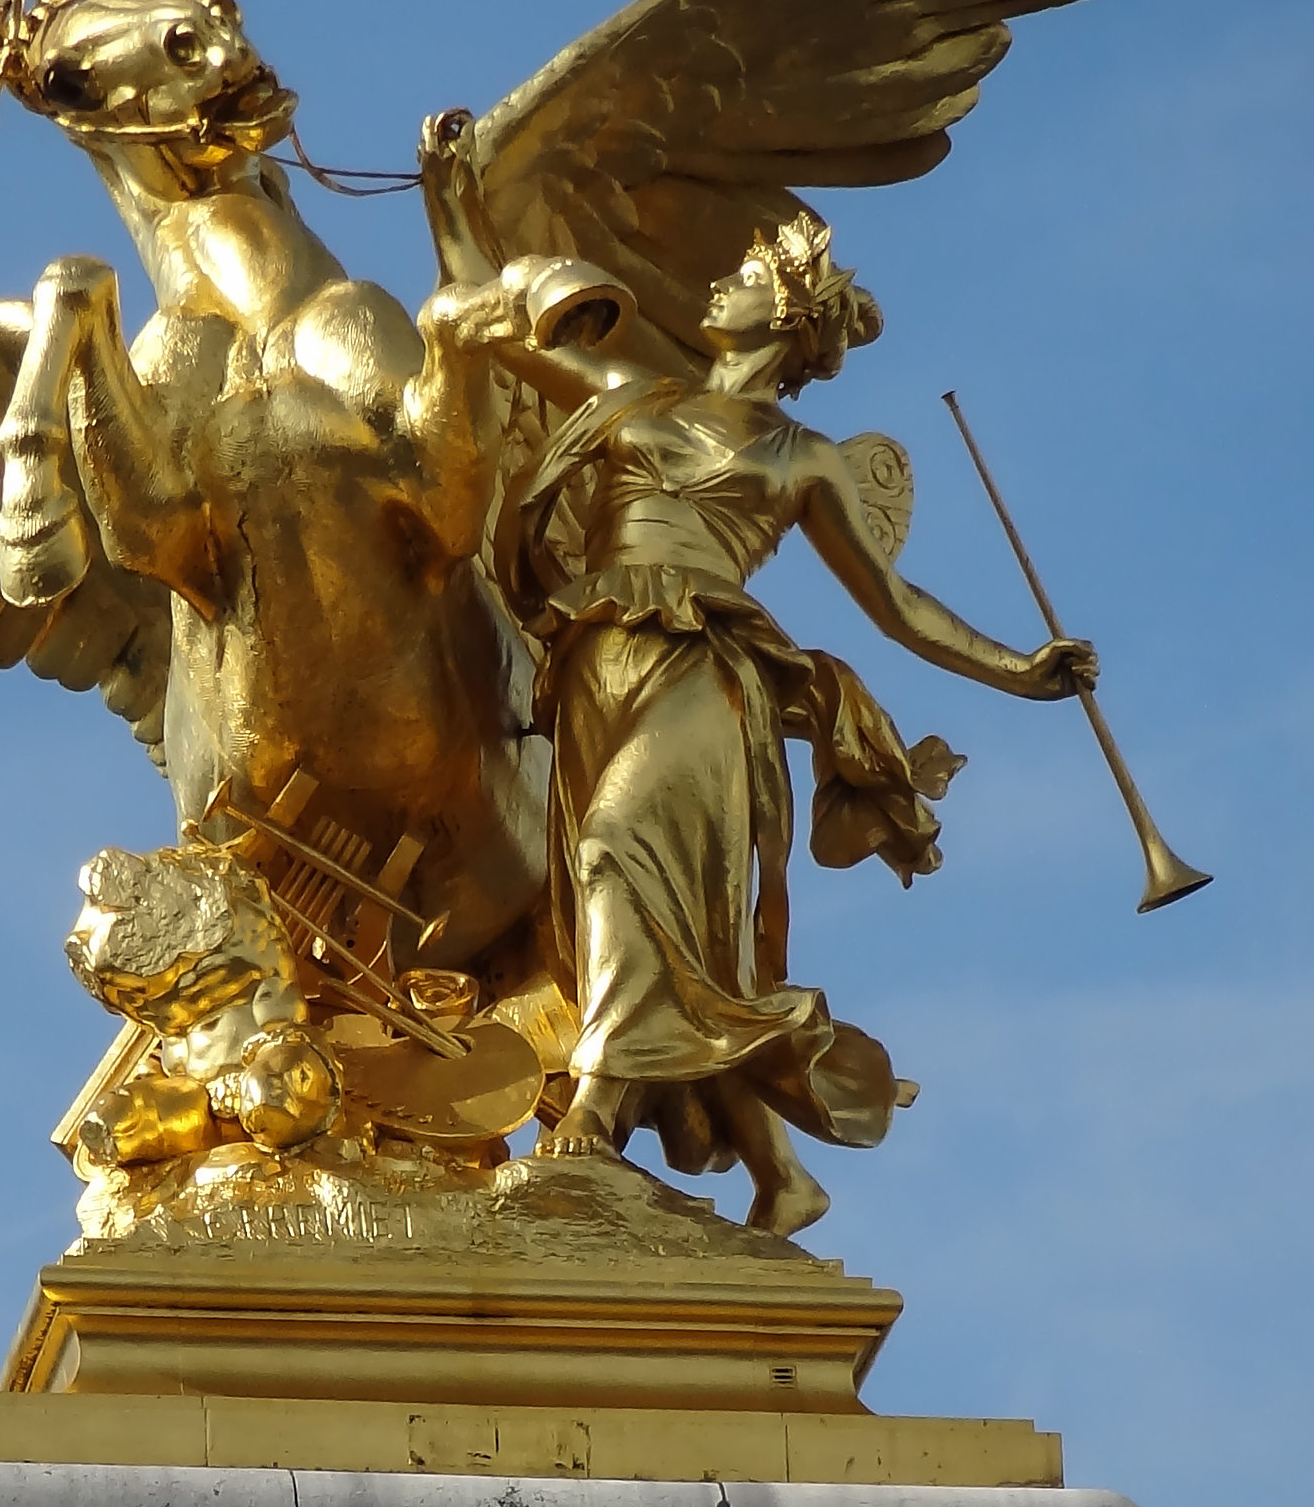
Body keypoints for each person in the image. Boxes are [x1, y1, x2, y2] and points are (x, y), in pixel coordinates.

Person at [442, 211, 1094, 1237]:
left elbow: (897, 604)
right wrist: (454, 194)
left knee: (617, 852)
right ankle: (781, 1173)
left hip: (707, 666)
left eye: (739, 276)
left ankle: (597, 1111)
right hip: (592, 660)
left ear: (786, 313)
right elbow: (498, 318)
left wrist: (1018, 668)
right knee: (663, 933)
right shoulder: (631, 392)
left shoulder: (804, 458)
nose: (713, 288)